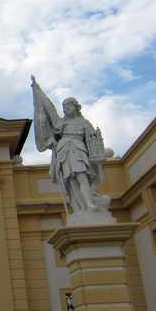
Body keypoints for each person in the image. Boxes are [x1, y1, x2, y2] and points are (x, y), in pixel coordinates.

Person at [31, 76, 106, 216]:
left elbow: (93, 141)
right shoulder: (61, 123)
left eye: (68, 106)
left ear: (75, 107)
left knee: (82, 177)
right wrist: (37, 90)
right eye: (64, 107)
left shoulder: (84, 123)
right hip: (64, 151)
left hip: (78, 150)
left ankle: (89, 204)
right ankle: (79, 208)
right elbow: (49, 110)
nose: (65, 109)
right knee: (71, 182)